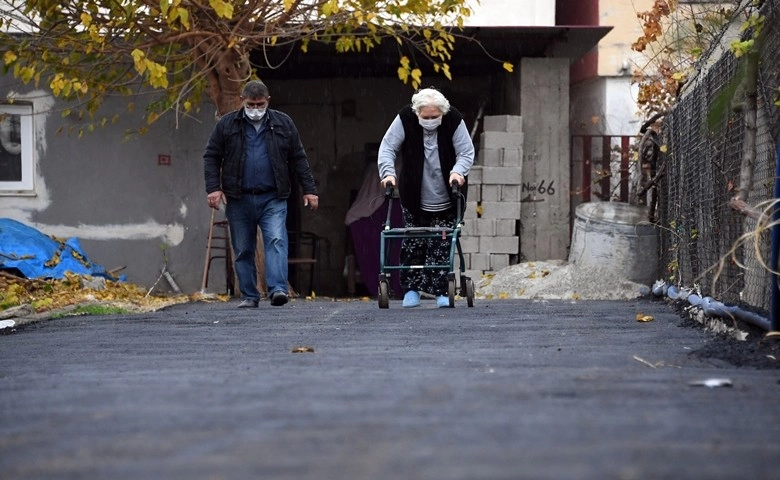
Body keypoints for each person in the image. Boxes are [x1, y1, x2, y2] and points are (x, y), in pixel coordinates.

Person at [204, 80, 319, 308]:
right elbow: (212, 156)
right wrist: (213, 188)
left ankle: (278, 289)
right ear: (241, 101)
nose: (255, 109)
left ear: (268, 101)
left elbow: (298, 157)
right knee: (243, 247)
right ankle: (250, 294)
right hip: (238, 197)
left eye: (259, 104)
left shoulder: (283, 124)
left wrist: (310, 190)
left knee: (276, 240)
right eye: (251, 104)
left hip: (273, 196)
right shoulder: (227, 125)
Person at [377, 87, 475, 308]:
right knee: (413, 243)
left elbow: (466, 152)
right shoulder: (405, 119)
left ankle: (442, 290)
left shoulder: (454, 120)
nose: (430, 121)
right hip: (414, 196)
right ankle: (411, 290)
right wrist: (388, 173)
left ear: (443, 113)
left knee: (441, 245)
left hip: (447, 196)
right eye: (425, 117)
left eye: (435, 117)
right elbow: (388, 147)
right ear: (417, 112)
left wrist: (458, 171)